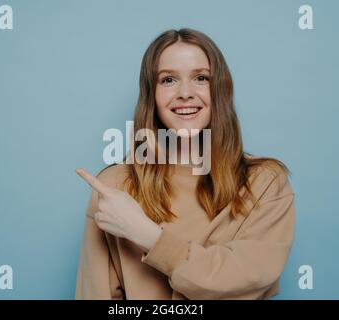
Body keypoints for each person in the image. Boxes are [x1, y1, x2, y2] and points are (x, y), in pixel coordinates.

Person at [74, 28, 295, 300]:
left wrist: (149, 237)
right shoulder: (114, 188)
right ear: (151, 95)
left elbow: (244, 280)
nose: (185, 93)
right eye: (168, 80)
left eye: (201, 78)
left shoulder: (265, 183)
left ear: (220, 90)